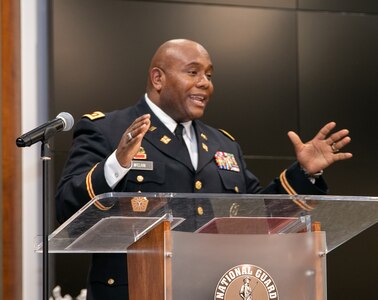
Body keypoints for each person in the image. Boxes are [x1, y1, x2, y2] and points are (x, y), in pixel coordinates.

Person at [55, 39, 352, 299]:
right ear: (158, 78)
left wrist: (304, 173)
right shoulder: (108, 130)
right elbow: (67, 208)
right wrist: (116, 164)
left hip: (213, 289)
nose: (205, 83)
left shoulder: (223, 143)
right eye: (193, 72)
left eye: (209, 75)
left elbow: (257, 215)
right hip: (136, 291)